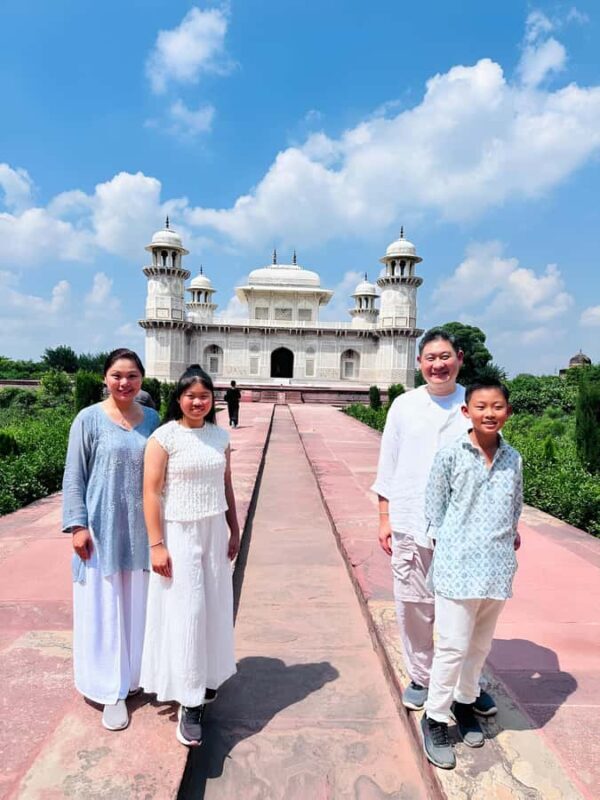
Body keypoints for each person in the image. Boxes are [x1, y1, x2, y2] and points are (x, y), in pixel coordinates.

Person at [372, 328, 496, 716]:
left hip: (464, 528)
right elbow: (388, 464)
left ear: (459, 358)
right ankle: (422, 676)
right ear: (419, 363)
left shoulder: (475, 404)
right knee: (414, 605)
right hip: (410, 518)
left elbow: (491, 464)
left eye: (445, 357)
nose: (438, 365)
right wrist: (384, 517)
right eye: (430, 358)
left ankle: (465, 685)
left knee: (465, 611)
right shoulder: (404, 405)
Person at [421, 382, 523, 769]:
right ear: (467, 412)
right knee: (452, 646)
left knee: (479, 646)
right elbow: (435, 508)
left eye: (497, 406)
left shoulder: (513, 458)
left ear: (507, 413)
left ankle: (465, 704)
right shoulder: (450, 455)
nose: (489, 413)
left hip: (496, 568)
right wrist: (454, 547)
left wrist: (503, 541)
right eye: (481, 406)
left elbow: (515, 508)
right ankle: (434, 717)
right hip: (458, 567)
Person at [140, 365, 240, 747]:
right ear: (178, 399)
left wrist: (235, 527)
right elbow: (150, 493)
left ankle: (207, 675)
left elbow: (226, 484)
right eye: (190, 396)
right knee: (187, 610)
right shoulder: (164, 438)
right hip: (179, 532)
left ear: (213, 399)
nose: (197, 402)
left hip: (213, 528)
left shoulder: (220, 437)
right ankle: (189, 700)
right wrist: (157, 544)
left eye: (204, 396)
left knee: (214, 604)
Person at [62, 348, 160, 731]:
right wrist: (77, 525)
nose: (125, 382)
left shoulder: (151, 419)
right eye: (118, 375)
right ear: (105, 377)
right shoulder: (88, 420)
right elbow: (74, 476)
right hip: (101, 530)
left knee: (137, 605)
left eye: (132, 376)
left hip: (141, 531)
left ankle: (136, 678)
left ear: (142, 380)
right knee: (105, 607)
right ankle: (109, 689)